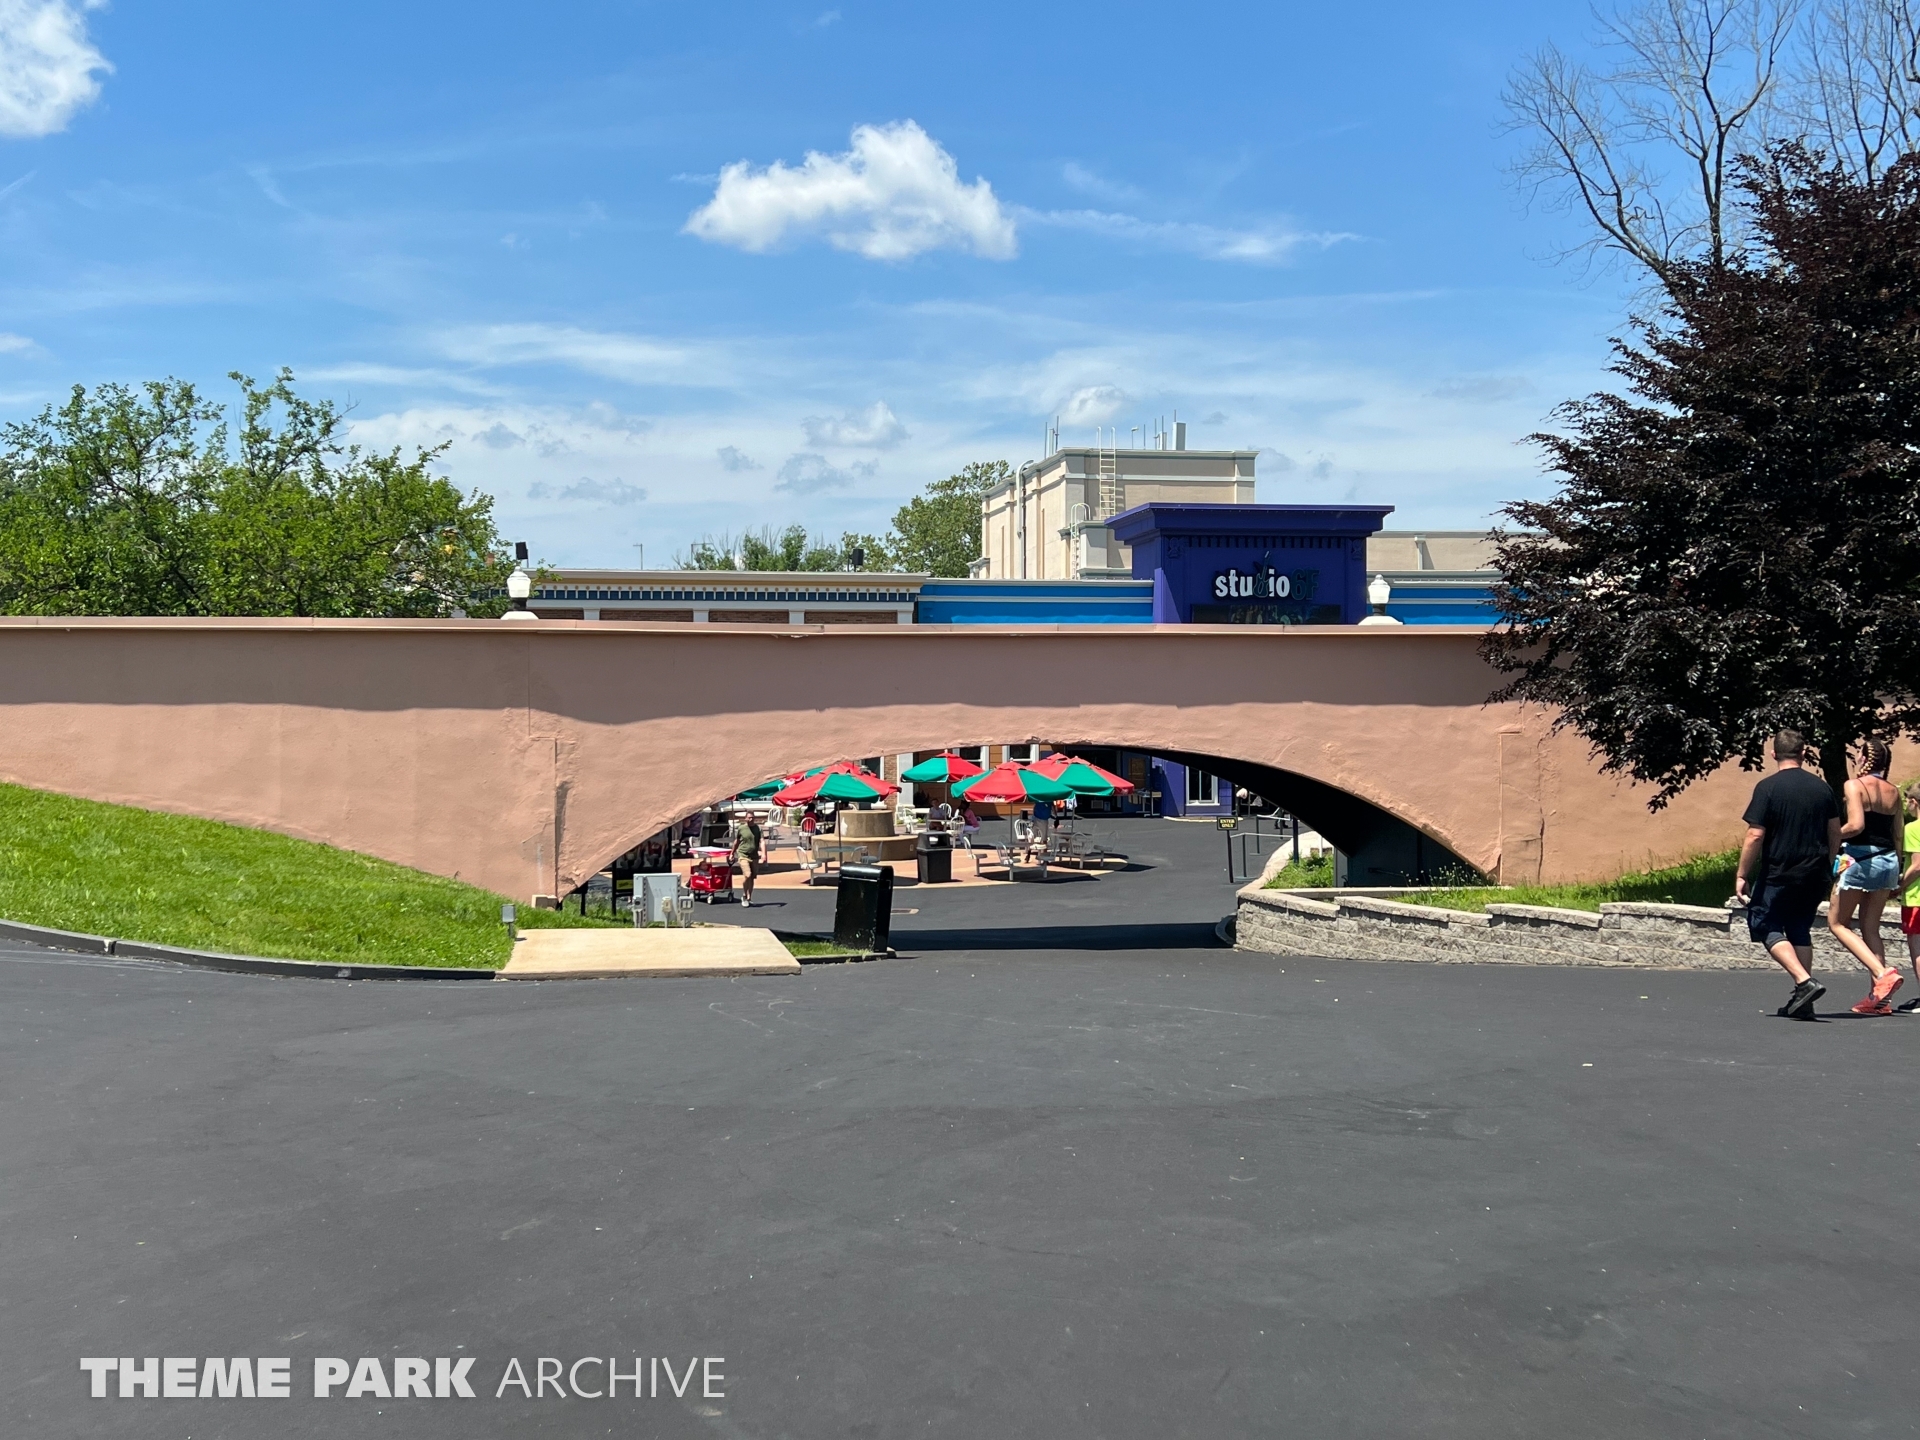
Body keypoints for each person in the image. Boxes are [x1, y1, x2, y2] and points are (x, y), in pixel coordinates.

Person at [1735, 729, 1842, 1019]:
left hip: (1780, 870)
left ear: (1773, 754)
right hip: (1815, 872)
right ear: (1804, 753)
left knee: (1763, 922)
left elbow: (1755, 835)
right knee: (1799, 928)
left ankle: (1804, 982)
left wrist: (1742, 874)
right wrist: (1828, 863)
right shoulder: (1822, 788)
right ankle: (1803, 1002)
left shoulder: (1767, 788)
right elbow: (1835, 830)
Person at [1828, 739, 1906, 1014]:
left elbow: (1856, 825)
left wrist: (1831, 835)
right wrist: (1897, 870)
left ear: (1864, 759)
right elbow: (1898, 833)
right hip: (1888, 860)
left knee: (1838, 923)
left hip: (1861, 859)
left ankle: (1882, 974)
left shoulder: (1854, 785)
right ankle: (1879, 999)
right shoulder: (1894, 791)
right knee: (1871, 927)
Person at [1898, 783, 1920, 1014]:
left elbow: (1917, 865)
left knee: (1918, 947)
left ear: (1914, 802)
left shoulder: (1913, 828)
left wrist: (1899, 886)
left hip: (1916, 898)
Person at [732, 811, 762, 907]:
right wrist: (732, 853)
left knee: (752, 877)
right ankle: (744, 896)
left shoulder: (757, 828)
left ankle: (749, 898)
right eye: (749, 817)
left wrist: (764, 854)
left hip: (754, 856)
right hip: (743, 854)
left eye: (752, 817)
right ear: (745, 818)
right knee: (747, 875)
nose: (751, 819)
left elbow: (762, 841)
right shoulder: (741, 828)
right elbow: (737, 841)